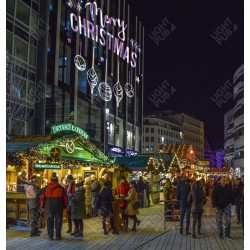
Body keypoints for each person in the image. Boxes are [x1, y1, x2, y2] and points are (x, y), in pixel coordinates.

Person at [40, 172, 68, 240]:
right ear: (57, 180)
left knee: (49, 221)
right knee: (58, 221)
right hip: (59, 207)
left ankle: (50, 236)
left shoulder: (46, 188)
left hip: (49, 207)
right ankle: (58, 236)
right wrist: (64, 206)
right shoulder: (61, 188)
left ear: (50, 180)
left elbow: (42, 198)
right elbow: (65, 198)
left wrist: (43, 206)